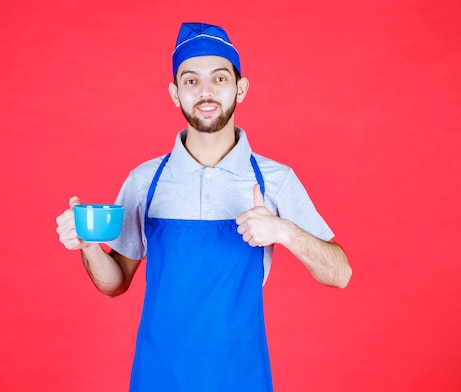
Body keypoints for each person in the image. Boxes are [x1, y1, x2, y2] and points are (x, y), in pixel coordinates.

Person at [56, 22, 352, 392]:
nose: (206, 91)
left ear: (240, 89)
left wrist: (284, 231)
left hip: (242, 376)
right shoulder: (145, 181)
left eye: (220, 78)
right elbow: (115, 283)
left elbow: (340, 274)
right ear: (175, 93)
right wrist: (87, 245)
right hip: (157, 377)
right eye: (191, 81)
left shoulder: (274, 179)